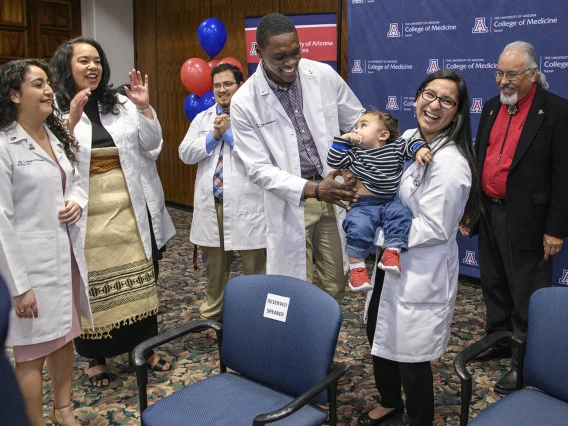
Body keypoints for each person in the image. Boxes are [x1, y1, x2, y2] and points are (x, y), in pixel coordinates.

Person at [360, 69, 480, 426]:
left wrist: (376, 228)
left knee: (410, 354)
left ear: (456, 113)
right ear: (416, 98)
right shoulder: (408, 138)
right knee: (376, 331)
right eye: (430, 94)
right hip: (389, 262)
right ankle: (389, 400)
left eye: (447, 101)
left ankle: (420, 417)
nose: (435, 105)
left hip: (420, 270)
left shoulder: (451, 164)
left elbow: (434, 227)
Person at [50, 36, 170, 388]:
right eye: (83, 61)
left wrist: (146, 108)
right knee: (93, 287)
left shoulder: (120, 101)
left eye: (97, 60)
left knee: (141, 281)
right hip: (86, 214)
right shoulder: (53, 109)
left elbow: (152, 146)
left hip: (129, 208)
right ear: (66, 67)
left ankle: (144, 349)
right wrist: (69, 121)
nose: (93, 67)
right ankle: (97, 358)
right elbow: (53, 161)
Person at [231, 13, 365, 301]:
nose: (291, 63)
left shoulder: (323, 76)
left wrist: (355, 163)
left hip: (333, 194)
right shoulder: (244, 102)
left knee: (335, 283)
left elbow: (358, 121)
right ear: (258, 52)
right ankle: (295, 343)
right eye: (280, 57)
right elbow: (258, 169)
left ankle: (321, 339)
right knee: (291, 289)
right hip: (292, 199)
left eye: (296, 52)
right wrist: (315, 189)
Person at [465, 41, 568, 394]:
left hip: (529, 219)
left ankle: (526, 364)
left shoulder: (555, 111)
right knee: (494, 283)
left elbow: (563, 175)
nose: (503, 81)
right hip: (491, 212)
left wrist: (556, 228)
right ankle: (499, 340)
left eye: (511, 74)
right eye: (498, 73)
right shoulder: (493, 107)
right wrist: (473, 210)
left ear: (532, 74)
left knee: (527, 294)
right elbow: (483, 159)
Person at [0, 59, 92, 425]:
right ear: (14, 94)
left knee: (65, 336)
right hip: (31, 267)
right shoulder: (5, 145)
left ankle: (63, 409)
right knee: (31, 352)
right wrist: (19, 288)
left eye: (48, 83)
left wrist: (77, 203)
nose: (49, 90)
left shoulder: (55, 135)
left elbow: (78, 182)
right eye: (37, 84)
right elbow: (1, 221)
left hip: (65, 257)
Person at [179, 63, 266, 320]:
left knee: (255, 267)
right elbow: (185, 153)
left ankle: (257, 318)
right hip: (213, 204)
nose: (222, 90)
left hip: (246, 205)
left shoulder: (255, 117)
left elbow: (258, 156)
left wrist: (228, 134)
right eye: (217, 85)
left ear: (240, 85)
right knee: (215, 268)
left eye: (228, 84)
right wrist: (213, 136)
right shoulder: (203, 119)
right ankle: (212, 315)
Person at [327, 110, 432, 291]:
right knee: (357, 225)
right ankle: (357, 271)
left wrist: (421, 149)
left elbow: (413, 142)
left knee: (402, 214)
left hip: (388, 202)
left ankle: (392, 252)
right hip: (362, 204)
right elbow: (334, 159)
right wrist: (345, 139)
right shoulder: (354, 154)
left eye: (363, 125)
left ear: (383, 135)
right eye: (356, 127)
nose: (357, 130)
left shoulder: (395, 149)